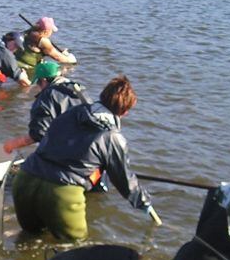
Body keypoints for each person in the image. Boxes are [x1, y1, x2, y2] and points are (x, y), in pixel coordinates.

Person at [10, 76, 151, 241]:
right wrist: (142, 201)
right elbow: (124, 179)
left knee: (28, 240)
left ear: (102, 96)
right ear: (125, 111)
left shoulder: (72, 113)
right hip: (62, 193)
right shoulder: (112, 137)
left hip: (25, 180)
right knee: (75, 249)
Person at [2, 60, 89, 153]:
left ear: (43, 80)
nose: (39, 87)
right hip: (89, 147)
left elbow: (39, 133)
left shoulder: (47, 96)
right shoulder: (79, 90)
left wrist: (12, 144)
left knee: (32, 164)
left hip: (67, 151)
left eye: (38, 83)